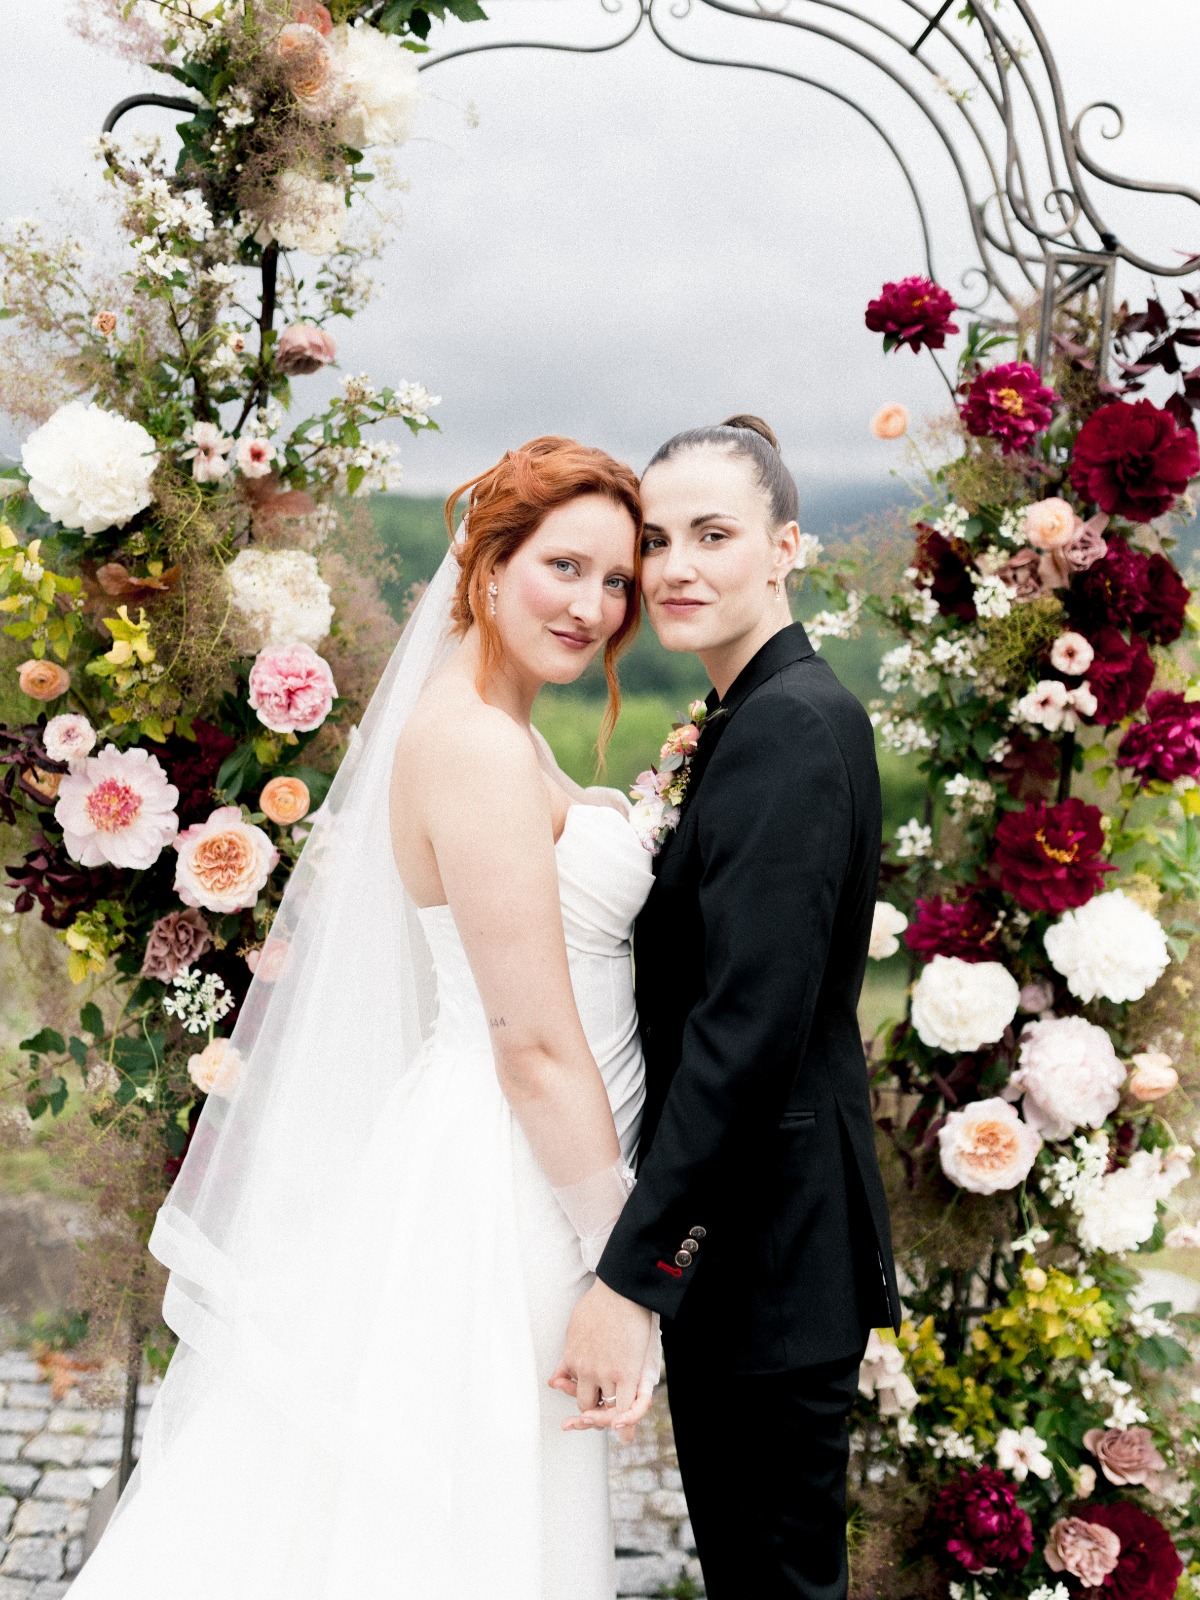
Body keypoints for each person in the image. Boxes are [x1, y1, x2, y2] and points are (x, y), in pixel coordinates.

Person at [69, 437, 660, 1600]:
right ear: (486, 568)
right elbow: (533, 1048)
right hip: (512, 1181)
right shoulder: (475, 746)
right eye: (565, 566)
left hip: (525, 1164)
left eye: (618, 581)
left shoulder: (498, 729)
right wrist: (627, 1269)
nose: (593, 606)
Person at [557, 415, 901, 1600]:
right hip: (765, 1253)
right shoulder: (756, 715)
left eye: (715, 534)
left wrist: (632, 1277)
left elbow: (743, 1040)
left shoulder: (790, 730)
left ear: (784, 547)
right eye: (657, 540)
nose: (676, 568)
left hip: (766, 1260)